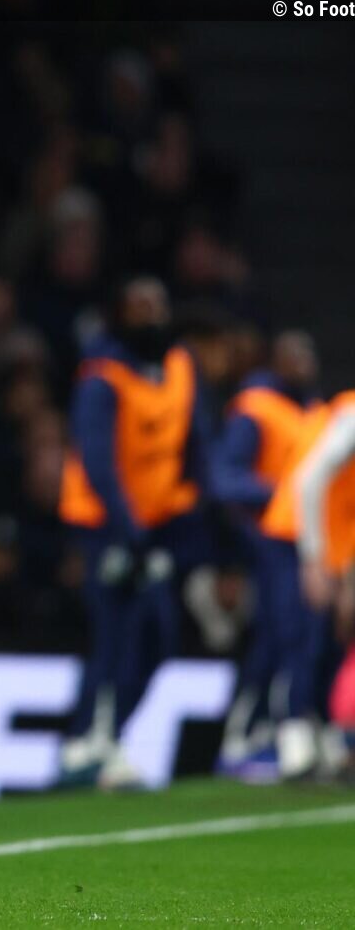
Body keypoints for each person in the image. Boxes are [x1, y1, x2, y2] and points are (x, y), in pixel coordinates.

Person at [57, 277, 211, 788]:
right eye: (140, 307)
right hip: (106, 526)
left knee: (159, 636)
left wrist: (189, 513)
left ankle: (114, 734)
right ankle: (85, 744)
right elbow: (98, 463)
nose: (153, 316)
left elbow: (195, 441)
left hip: (159, 526)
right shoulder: (102, 376)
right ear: (120, 315)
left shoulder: (180, 364)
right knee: (113, 633)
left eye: (158, 305)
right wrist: (129, 532)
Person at [211, 331, 324, 779]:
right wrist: (280, 494)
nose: (305, 363)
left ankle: (286, 730)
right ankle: (246, 735)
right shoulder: (256, 407)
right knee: (281, 634)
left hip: (309, 541)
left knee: (304, 636)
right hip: (267, 539)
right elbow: (226, 477)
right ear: (276, 361)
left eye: (308, 354)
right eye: (295, 355)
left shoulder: (315, 411)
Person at [260, 388, 355, 773]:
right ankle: (293, 734)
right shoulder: (352, 417)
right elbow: (308, 481)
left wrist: (346, 575)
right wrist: (314, 559)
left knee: (333, 637)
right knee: (303, 634)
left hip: (331, 544)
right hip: (294, 534)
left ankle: (324, 732)